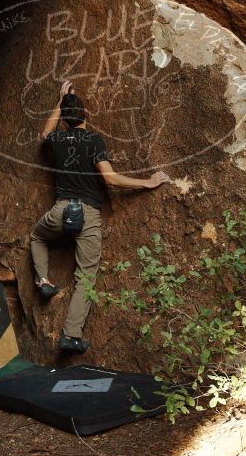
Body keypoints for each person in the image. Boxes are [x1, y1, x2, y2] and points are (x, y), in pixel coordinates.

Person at [31, 80, 170, 352]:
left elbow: (44, 133)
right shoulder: (93, 140)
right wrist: (148, 182)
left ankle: (43, 280)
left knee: (37, 236)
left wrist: (61, 102)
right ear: (86, 116)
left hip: (61, 210)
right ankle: (71, 335)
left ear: (65, 119)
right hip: (88, 213)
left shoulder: (56, 140)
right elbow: (110, 178)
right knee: (85, 277)